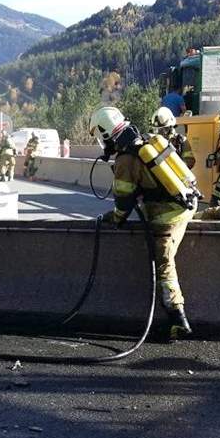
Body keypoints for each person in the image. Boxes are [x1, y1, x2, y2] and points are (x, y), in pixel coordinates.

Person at [89, 106, 194, 339]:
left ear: (106, 133)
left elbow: (123, 200)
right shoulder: (146, 141)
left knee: (164, 265)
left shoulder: (126, 158)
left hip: (167, 216)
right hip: (184, 204)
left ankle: (178, 320)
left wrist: (115, 218)